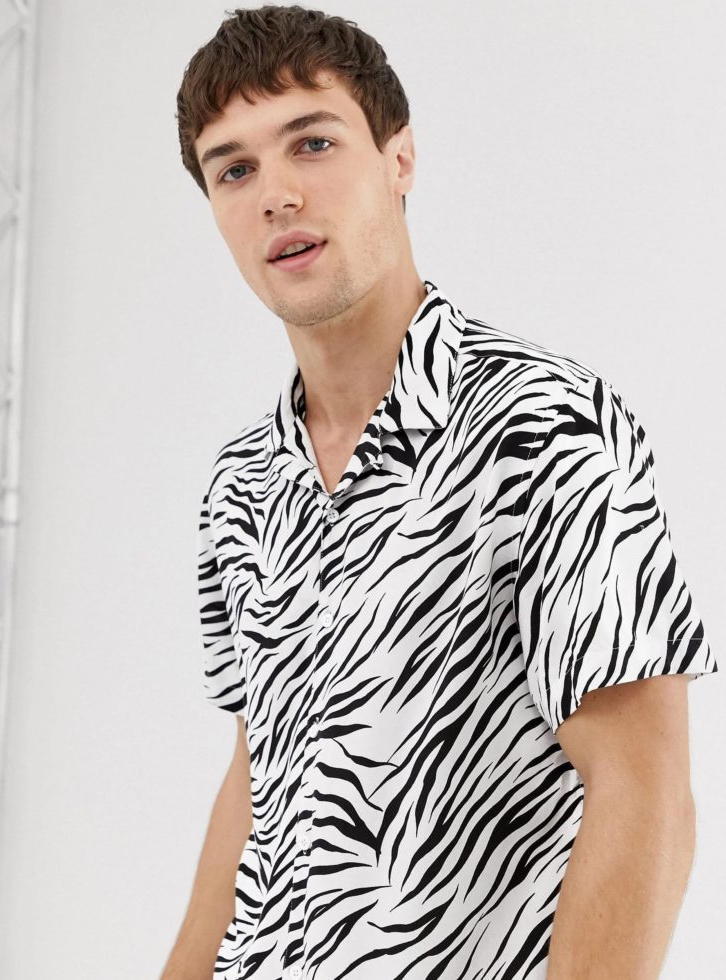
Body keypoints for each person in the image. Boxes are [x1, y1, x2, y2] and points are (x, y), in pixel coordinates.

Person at [161, 6, 719, 979]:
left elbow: (647, 794)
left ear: (400, 159)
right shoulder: (242, 484)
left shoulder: (541, 423)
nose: (277, 194)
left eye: (313, 143)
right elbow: (257, 776)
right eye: (234, 169)